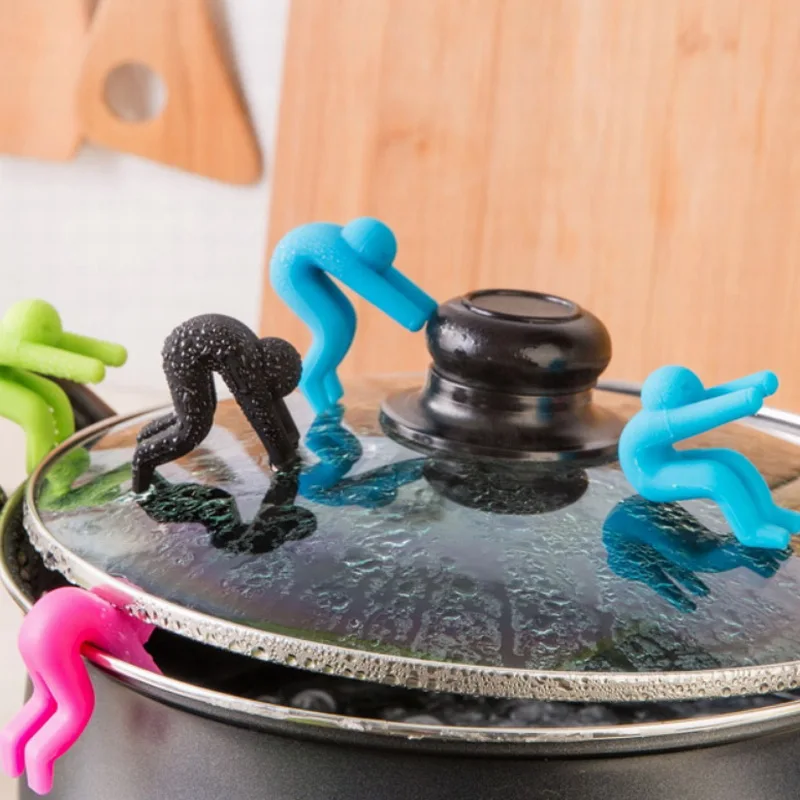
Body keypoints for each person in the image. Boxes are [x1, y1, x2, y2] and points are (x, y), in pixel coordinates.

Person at [618, 366, 800, 549]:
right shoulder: (657, 422)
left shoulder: (668, 407)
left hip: (667, 460)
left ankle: (770, 513)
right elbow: (701, 414)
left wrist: (757, 382)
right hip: (650, 478)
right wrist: (744, 401)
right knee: (715, 475)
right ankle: (751, 530)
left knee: (732, 459)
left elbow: (708, 398)